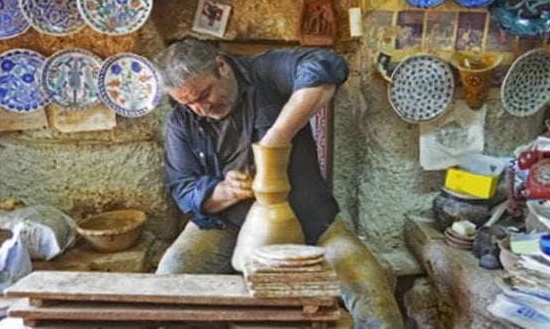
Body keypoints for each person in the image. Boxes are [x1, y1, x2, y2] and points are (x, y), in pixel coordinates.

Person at [153, 38, 404, 328]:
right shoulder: (183, 121)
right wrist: (225, 191)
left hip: (310, 220)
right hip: (226, 225)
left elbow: (328, 66)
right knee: (167, 283)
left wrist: (277, 137)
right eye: (189, 103)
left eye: (204, 94)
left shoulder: (264, 72)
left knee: (373, 296)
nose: (201, 108)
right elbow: (183, 187)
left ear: (221, 66)